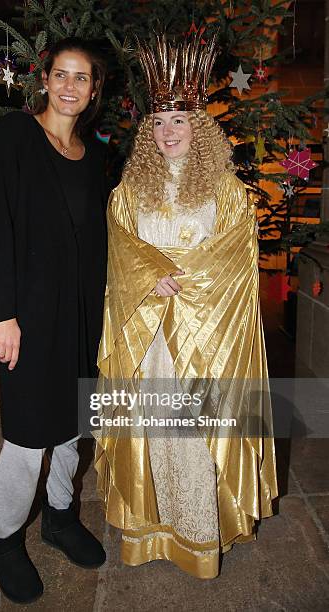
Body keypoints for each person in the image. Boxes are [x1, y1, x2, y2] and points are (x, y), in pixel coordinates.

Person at [93, 33, 278, 579]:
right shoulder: (130, 188)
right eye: (157, 123)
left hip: (205, 336)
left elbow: (233, 256)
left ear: (199, 130)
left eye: (178, 122)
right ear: (148, 133)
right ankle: (149, 530)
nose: (167, 131)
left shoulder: (227, 191)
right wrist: (151, 274)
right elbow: (120, 240)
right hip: (148, 335)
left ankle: (198, 535)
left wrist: (184, 276)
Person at [0, 38, 108, 604]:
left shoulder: (98, 154)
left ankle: (58, 516)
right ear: (45, 80)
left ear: (94, 89)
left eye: (82, 78)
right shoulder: (15, 136)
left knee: (73, 424)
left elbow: (107, 234)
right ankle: (3, 539)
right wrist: (2, 313)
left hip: (82, 312)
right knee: (29, 435)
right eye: (62, 75)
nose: (70, 86)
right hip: (27, 315)